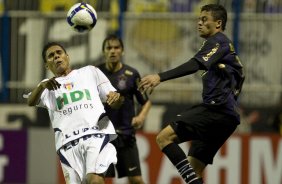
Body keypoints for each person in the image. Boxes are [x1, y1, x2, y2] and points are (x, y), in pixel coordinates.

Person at [138, 4, 245, 184]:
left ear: (218, 23)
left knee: (164, 137)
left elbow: (194, 64)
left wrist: (159, 77)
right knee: (193, 170)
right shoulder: (224, 48)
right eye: (198, 19)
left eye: (204, 19)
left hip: (216, 111)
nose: (199, 23)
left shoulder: (218, 42)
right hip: (228, 117)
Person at [27, 42, 124, 184]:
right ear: (47, 66)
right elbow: (31, 101)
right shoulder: (48, 85)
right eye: (51, 56)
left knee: (95, 180)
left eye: (59, 53)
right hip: (67, 144)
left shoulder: (90, 72)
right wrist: (42, 86)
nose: (56, 57)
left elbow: (116, 101)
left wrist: (116, 98)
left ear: (67, 56)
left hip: (95, 134)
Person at [98, 34, 151, 184]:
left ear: (122, 51)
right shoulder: (95, 74)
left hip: (125, 136)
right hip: (102, 137)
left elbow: (146, 102)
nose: (113, 51)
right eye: (109, 48)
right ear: (103, 51)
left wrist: (141, 117)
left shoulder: (132, 74)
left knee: (136, 180)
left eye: (116, 47)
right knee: (96, 180)